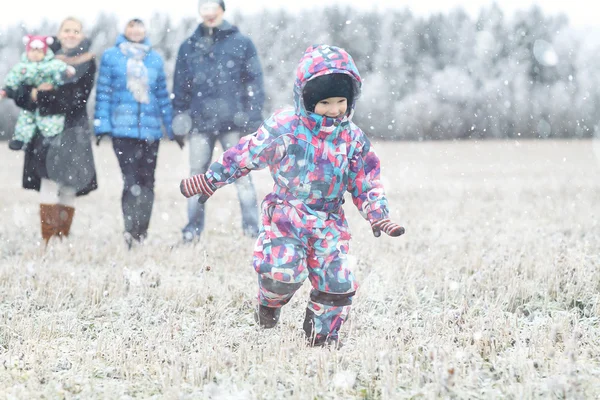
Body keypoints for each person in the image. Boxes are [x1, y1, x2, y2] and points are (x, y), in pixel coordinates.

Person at [179, 44, 405, 347]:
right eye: (325, 102)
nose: (335, 109)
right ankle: (269, 304)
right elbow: (247, 152)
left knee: (337, 283)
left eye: (341, 101)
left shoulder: (353, 138)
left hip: (329, 221)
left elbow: (366, 181)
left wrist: (378, 215)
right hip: (287, 214)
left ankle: (321, 338)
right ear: (308, 99)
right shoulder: (286, 127)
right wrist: (212, 178)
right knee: (280, 276)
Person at [172, 0, 265, 242]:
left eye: (214, 8)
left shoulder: (242, 43)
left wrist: (252, 119)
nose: (210, 14)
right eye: (205, 8)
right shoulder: (188, 46)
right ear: (199, 12)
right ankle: (192, 232)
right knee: (197, 177)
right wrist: (178, 119)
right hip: (199, 122)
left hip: (233, 123)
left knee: (242, 175)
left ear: (222, 10)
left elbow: (254, 83)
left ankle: (252, 231)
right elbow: (180, 87)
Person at [4, 18, 98, 244]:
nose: (71, 34)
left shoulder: (87, 62)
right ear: (59, 33)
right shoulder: (40, 57)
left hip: (73, 129)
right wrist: (32, 95)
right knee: (48, 181)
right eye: (67, 30)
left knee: (68, 185)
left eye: (76, 30)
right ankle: (47, 239)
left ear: (82, 35)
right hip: (43, 130)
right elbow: (20, 93)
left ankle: (61, 238)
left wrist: (40, 95)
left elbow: (76, 98)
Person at [94, 18, 176, 248]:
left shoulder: (154, 58)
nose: (136, 30)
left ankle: (142, 232)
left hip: (150, 131)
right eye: (131, 25)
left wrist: (171, 128)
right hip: (123, 130)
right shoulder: (112, 56)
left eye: (139, 25)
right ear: (125, 29)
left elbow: (161, 95)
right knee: (131, 181)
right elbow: (104, 92)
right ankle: (130, 232)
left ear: (145, 29)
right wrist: (102, 125)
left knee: (148, 181)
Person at [1, 35, 75, 150]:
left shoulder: (51, 64)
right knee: (25, 118)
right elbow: (13, 78)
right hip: (29, 99)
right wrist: (6, 90)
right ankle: (20, 139)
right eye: (32, 51)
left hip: (48, 96)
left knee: (50, 120)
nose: (35, 54)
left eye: (39, 51)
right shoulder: (22, 67)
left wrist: (67, 71)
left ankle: (51, 137)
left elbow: (60, 68)